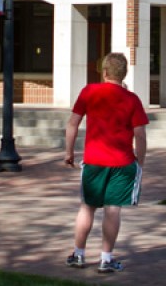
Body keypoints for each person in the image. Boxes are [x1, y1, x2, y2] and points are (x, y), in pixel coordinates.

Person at [64, 52, 149, 274]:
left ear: (104, 72)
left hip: (93, 160)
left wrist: (69, 152)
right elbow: (140, 134)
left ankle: (79, 255)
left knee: (87, 207)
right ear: (124, 74)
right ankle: (106, 258)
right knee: (113, 209)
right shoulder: (132, 99)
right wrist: (140, 161)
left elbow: (73, 124)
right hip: (122, 162)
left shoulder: (89, 92)